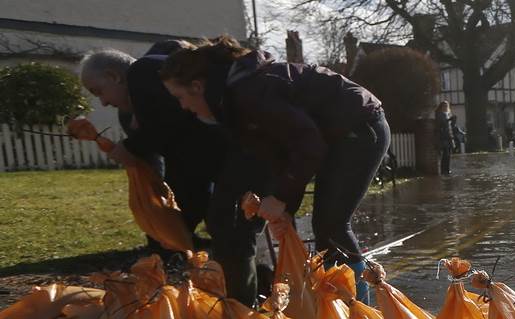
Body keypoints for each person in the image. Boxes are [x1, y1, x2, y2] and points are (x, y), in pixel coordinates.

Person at [160, 35, 389, 303]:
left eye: (180, 97)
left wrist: (280, 198)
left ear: (197, 87)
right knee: (326, 225)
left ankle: (357, 311)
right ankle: (341, 307)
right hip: (336, 134)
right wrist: (285, 209)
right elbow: (280, 153)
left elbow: (308, 144)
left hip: (360, 129)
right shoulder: (234, 95)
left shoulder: (249, 92)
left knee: (331, 224)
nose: (183, 107)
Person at [79, 45, 227, 257]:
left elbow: (168, 124)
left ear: (114, 76)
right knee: (200, 212)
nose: (103, 102)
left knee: (230, 229)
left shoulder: (142, 72)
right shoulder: (134, 107)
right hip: (202, 162)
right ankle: (176, 249)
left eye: (98, 91)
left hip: (225, 157)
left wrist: (130, 147)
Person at [435, 101, 454, 175]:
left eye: (446, 106)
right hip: (443, 136)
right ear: (441, 107)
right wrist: (448, 120)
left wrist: (452, 120)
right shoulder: (439, 114)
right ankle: (444, 170)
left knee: (448, 154)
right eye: (444, 106)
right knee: (445, 154)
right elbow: (440, 124)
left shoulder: (447, 114)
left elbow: (450, 126)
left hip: (448, 136)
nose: (445, 107)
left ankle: (447, 169)